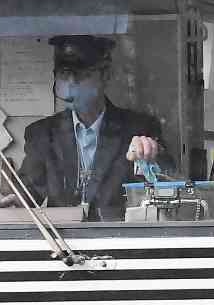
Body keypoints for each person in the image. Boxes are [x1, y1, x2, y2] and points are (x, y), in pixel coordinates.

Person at [18, 36, 166, 221]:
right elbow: (26, 196)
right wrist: (13, 196)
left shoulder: (139, 128)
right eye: (64, 74)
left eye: (81, 75)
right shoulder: (42, 134)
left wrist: (150, 157)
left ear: (105, 75)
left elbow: (166, 184)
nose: (71, 84)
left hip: (117, 242)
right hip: (62, 242)